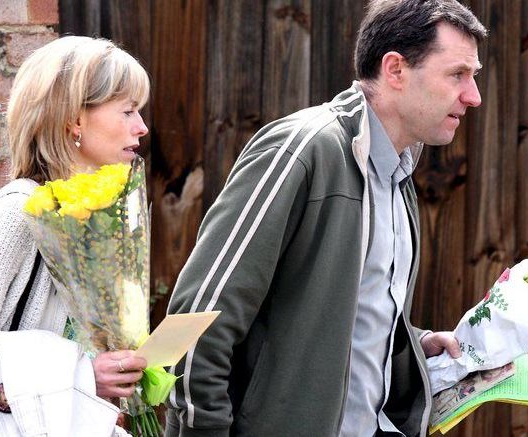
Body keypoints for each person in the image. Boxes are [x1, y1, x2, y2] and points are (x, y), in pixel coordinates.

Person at [165, 1, 487, 435]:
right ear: (395, 70)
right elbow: (197, 321)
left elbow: (341, 315)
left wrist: (415, 343)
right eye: (457, 75)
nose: (473, 96)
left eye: (473, 77)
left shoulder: (399, 174)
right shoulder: (301, 150)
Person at [0, 36, 150, 435]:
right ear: (74, 119)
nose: (142, 127)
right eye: (128, 111)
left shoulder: (100, 215)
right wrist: (78, 375)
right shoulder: (18, 212)